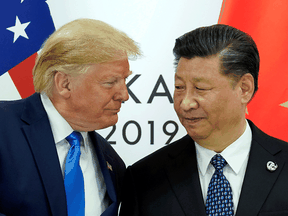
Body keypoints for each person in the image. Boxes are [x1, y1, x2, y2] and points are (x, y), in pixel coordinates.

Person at [119, 24, 288, 216]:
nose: (186, 103)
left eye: (200, 88)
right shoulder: (144, 178)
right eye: (179, 87)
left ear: (244, 89)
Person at [0, 18, 140, 216]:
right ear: (64, 83)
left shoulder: (112, 162)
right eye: (110, 82)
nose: (124, 95)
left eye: (125, 80)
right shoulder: (3, 128)